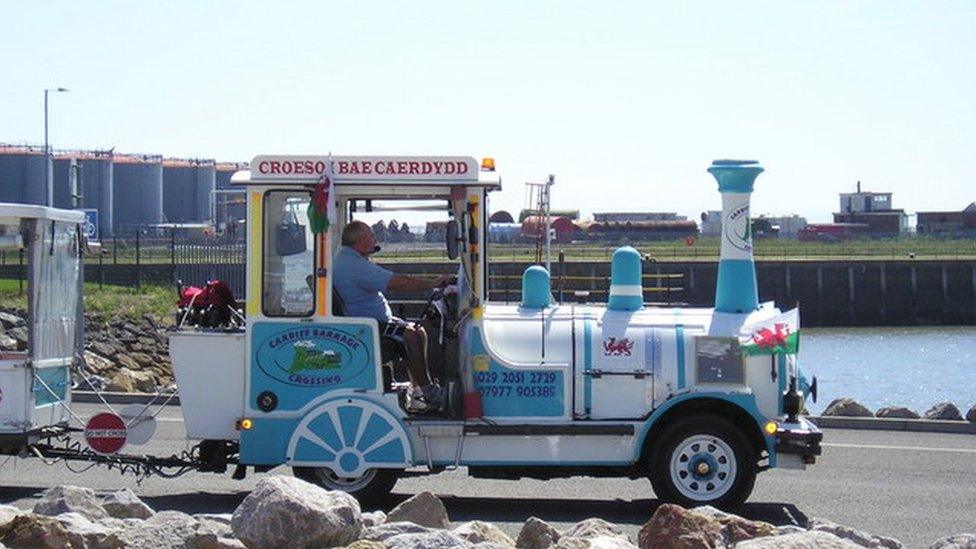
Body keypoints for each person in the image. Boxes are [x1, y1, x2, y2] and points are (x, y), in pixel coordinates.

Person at [332, 220, 451, 409]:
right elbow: (398, 283)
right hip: (367, 325)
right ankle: (428, 392)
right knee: (412, 336)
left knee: (419, 331)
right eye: (372, 236)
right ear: (361, 241)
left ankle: (420, 390)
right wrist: (433, 282)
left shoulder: (348, 260)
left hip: (374, 320)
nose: (374, 239)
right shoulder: (353, 265)